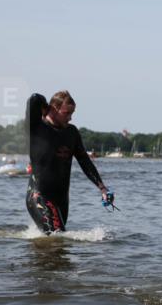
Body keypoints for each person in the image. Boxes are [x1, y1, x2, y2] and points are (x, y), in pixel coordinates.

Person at [25, 91, 111, 234]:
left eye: (72, 113)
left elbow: (84, 161)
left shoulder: (72, 132)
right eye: (66, 113)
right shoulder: (36, 128)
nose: (70, 118)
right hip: (39, 195)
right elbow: (33, 99)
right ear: (53, 109)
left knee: (56, 245)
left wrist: (102, 188)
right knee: (56, 237)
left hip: (62, 199)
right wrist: (45, 107)